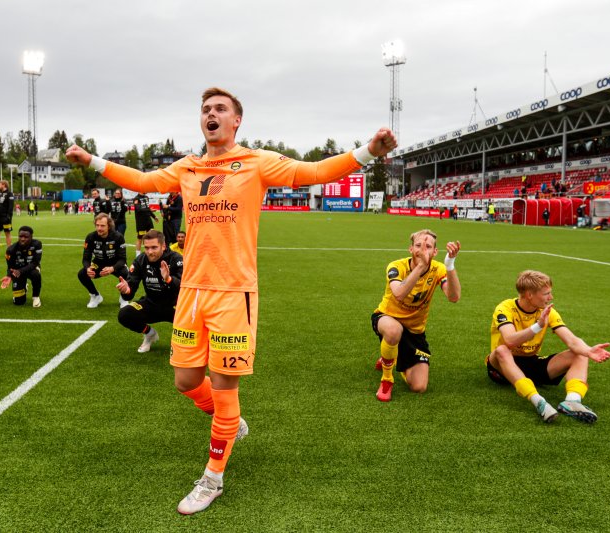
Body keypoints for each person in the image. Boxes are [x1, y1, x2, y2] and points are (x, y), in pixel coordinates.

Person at [66, 86, 396, 515]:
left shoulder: (257, 162)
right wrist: (91, 160)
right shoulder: (188, 166)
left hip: (233, 294)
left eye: (220, 108)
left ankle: (213, 478)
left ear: (236, 120)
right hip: (191, 292)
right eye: (206, 109)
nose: (211, 113)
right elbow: (143, 181)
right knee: (186, 381)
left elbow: (315, 171)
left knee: (224, 387)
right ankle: (231, 422)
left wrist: (368, 152)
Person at [485, 270, 610, 423]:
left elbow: (571, 340)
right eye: (546, 293)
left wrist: (588, 350)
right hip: (501, 367)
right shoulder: (505, 308)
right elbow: (510, 340)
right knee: (502, 350)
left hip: (530, 362)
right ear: (529, 295)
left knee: (579, 353)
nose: (551, 297)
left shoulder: (547, 312)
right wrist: (537, 326)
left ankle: (572, 401)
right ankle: (538, 401)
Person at [372, 230, 461, 402]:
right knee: (393, 330)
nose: (422, 250)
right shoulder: (396, 266)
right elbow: (399, 294)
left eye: (428, 246)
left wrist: (450, 264)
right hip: (387, 318)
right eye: (418, 245)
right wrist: (420, 266)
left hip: (415, 330)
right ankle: (387, 379)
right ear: (411, 249)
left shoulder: (438, 269)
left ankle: (391, 356)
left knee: (419, 387)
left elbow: (454, 297)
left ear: (435, 252)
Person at [116, 230, 182, 353]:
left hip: (175, 305)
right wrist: (126, 290)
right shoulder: (140, 260)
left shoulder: (176, 259)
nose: (150, 252)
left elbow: (183, 287)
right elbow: (130, 289)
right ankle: (150, 334)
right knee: (124, 314)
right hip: (151, 303)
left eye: (154, 247)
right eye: (146, 248)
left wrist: (168, 279)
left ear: (163, 246)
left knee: (194, 322)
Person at [78, 213, 129, 308]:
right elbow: (86, 258)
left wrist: (112, 268)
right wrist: (88, 268)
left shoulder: (118, 237)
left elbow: (122, 259)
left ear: (109, 226)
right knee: (82, 274)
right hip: (98, 263)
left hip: (115, 263)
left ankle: (124, 297)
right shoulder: (90, 237)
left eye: (102, 226)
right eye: (97, 225)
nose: (99, 228)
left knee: (127, 274)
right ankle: (95, 296)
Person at [0, 226, 43, 307]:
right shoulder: (11, 250)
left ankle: (36, 296)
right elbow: (10, 266)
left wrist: (21, 271)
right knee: (18, 302)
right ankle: (23, 286)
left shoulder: (37, 244)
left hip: (31, 269)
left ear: (31, 237)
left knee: (36, 274)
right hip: (17, 272)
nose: (22, 239)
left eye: (26, 237)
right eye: (20, 236)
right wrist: (9, 276)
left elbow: (35, 262)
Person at [132, 192, 158, 256]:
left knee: (152, 236)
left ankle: (150, 252)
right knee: (140, 238)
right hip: (141, 222)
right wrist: (149, 209)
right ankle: (138, 255)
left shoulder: (146, 197)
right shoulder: (136, 198)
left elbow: (148, 209)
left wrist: (154, 216)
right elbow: (138, 209)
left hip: (148, 221)